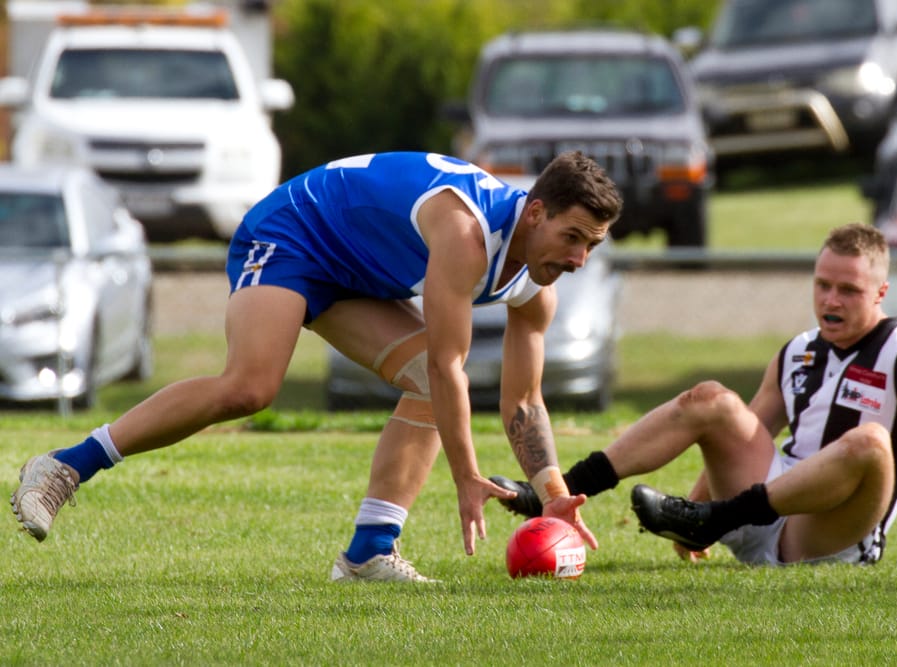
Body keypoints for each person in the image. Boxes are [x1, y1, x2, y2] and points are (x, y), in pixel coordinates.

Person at [11, 151, 621, 581]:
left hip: (356, 270)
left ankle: (368, 554)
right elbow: (448, 365)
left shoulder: (536, 285)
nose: (579, 260)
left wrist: (553, 495)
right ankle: (64, 467)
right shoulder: (467, 233)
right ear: (535, 213)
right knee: (249, 388)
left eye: (591, 245)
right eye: (572, 237)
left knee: (424, 384)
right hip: (296, 232)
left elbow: (524, 401)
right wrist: (466, 475)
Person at [492, 223, 897, 565]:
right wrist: (690, 513)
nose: (831, 300)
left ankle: (714, 520)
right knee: (711, 398)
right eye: (823, 285)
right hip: (761, 511)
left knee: (869, 442)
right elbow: (743, 435)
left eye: (848, 290)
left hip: (832, 533)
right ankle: (555, 493)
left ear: (881, 293)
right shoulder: (798, 350)